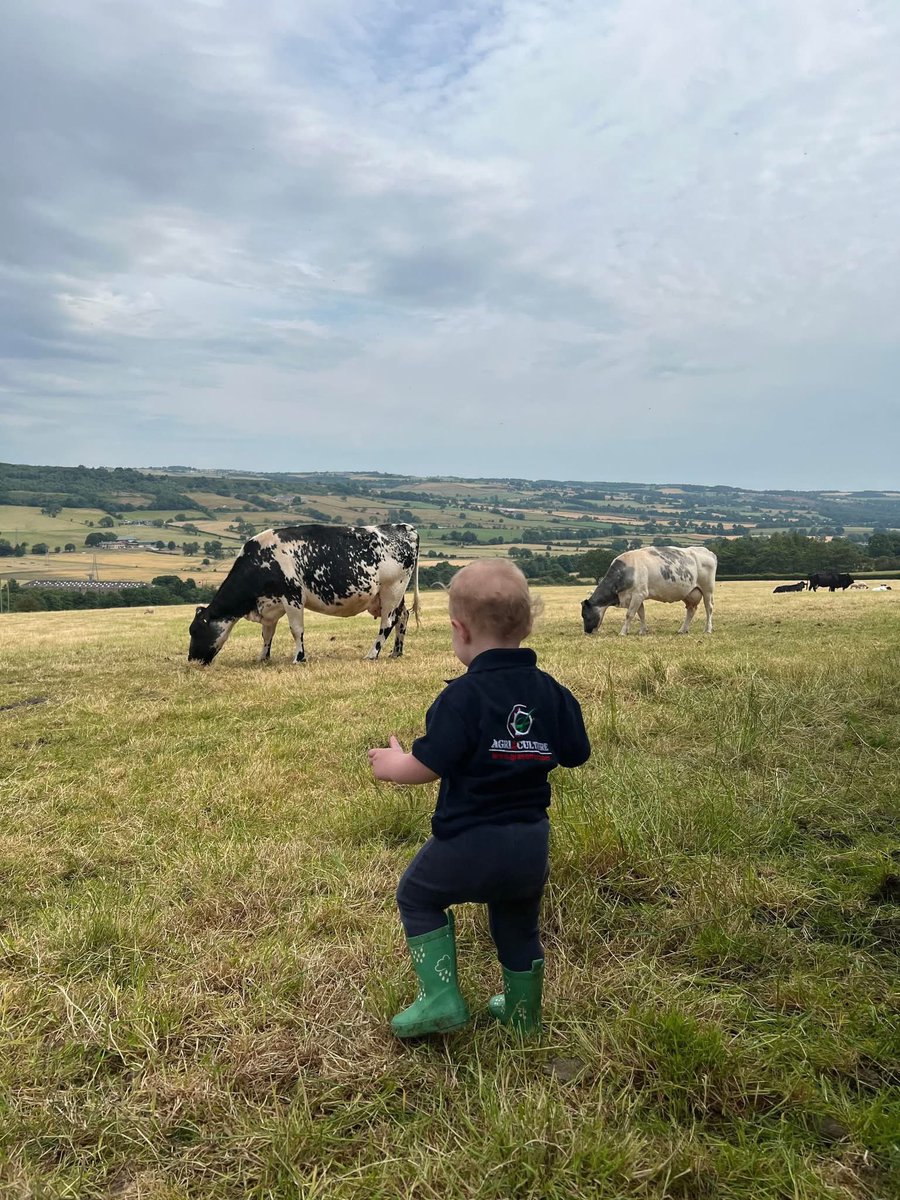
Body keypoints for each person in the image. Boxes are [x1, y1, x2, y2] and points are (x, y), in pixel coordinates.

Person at [368, 558, 591, 1038]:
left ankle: (440, 997)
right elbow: (577, 753)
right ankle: (522, 1014)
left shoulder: (461, 698)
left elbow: (429, 766)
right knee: (517, 925)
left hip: (468, 840)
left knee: (417, 896)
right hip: (531, 843)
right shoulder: (553, 693)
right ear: (527, 623)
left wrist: (393, 767)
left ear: (459, 630)